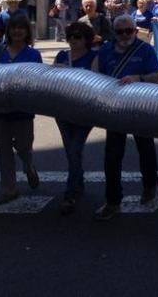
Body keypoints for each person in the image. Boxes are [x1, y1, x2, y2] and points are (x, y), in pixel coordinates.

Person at [91, 15, 158, 221]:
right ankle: (113, 201)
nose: (125, 35)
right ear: (114, 33)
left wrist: (138, 79)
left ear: (135, 30)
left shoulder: (145, 50)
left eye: (129, 31)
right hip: (114, 108)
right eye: (120, 32)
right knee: (112, 156)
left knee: (146, 150)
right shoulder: (105, 51)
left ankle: (150, 185)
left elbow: (156, 77)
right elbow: (96, 77)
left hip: (140, 107)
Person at [0, 16, 42, 205]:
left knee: (23, 146)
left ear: (26, 32)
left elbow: (39, 80)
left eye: (21, 28)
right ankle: (9, 189)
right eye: (13, 28)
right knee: (3, 150)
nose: (17, 31)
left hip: (23, 111)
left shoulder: (33, 55)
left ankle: (29, 166)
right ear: (9, 31)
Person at [52, 22, 98, 214]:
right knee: (71, 150)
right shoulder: (62, 56)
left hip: (83, 111)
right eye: (71, 36)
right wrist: (58, 71)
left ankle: (71, 194)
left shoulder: (93, 56)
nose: (73, 40)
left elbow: (95, 80)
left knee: (75, 148)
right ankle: (78, 184)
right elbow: (50, 78)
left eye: (78, 36)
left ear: (86, 39)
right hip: (63, 110)